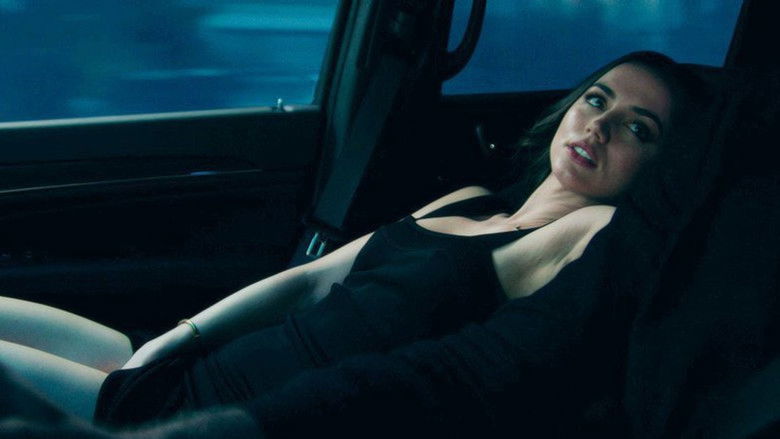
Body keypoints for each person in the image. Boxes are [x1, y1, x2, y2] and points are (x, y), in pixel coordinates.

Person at [0, 51, 703, 433]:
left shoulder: (590, 234)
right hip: (182, 360)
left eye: (637, 129)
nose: (600, 126)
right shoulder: (469, 200)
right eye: (597, 100)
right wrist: (176, 338)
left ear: (663, 171)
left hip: (203, 409)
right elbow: (308, 280)